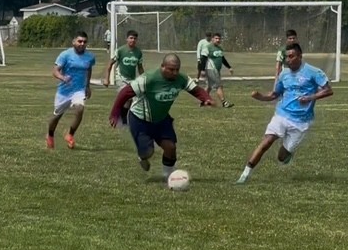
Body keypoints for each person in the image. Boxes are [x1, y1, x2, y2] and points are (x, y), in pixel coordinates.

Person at [236, 42, 333, 184]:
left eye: (291, 56)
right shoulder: (284, 74)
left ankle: (288, 154)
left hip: (301, 122)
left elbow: (328, 90)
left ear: (300, 56)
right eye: (287, 57)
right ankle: (244, 175)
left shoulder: (313, 72)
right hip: (282, 115)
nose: (288, 60)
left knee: (281, 157)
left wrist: (310, 97)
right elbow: (275, 94)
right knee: (266, 142)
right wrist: (260, 97)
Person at [109, 53, 214, 180]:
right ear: (162, 66)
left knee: (171, 147)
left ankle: (168, 176)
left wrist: (206, 98)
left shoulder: (181, 79)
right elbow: (125, 93)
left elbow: (196, 90)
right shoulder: (149, 79)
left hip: (162, 119)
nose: (175, 73)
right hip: (140, 120)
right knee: (148, 152)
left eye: (177, 69)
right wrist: (115, 114)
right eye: (171, 69)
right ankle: (142, 157)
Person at [46, 31, 96, 149]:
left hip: (79, 90)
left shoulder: (90, 57)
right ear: (73, 42)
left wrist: (87, 86)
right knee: (57, 116)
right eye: (80, 41)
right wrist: (63, 78)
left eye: (84, 42)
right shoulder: (65, 55)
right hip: (64, 91)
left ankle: (70, 135)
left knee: (80, 109)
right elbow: (55, 71)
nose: (82, 44)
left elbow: (89, 69)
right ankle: (50, 135)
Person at [103, 29, 144, 126]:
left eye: (135, 38)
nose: (133, 40)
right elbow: (110, 64)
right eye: (131, 38)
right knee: (126, 97)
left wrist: (144, 79)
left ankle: (123, 117)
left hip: (132, 79)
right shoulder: (121, 50)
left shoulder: (138, 52)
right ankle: (118, 117)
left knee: (130, 100)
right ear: (127, 39)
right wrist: (107, 78)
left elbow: (140, 67)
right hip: (121, 77)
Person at [198, 32, 234, 107]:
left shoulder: (219, 48)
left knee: (209, 86)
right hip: (211, 69)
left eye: (219, 39)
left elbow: (223, 59)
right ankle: (224, 103)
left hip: (216, 70)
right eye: (216, 38)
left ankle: (203, 101)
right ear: (212, 39)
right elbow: (203, 59)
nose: (218, 40)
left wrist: (229, 67)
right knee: (218, 86)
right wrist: (202, 70)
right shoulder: (208, 47)